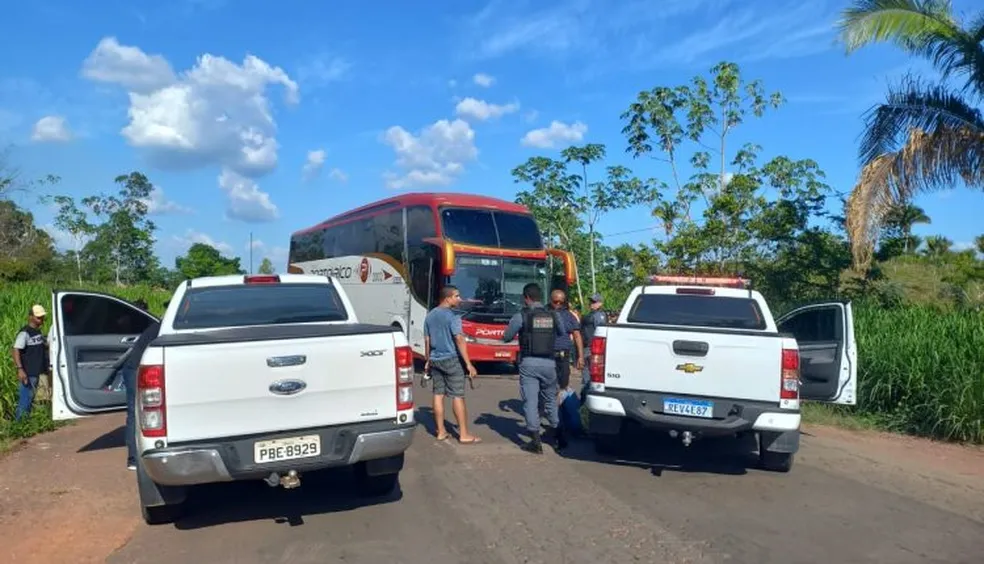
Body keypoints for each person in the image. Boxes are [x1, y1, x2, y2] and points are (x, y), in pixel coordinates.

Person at [502, 283, 567, 454]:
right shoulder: (553, 315)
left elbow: (507, 337)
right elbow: (562, 333)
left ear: (526, 298)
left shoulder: (521, 315)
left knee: (531, 401)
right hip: (550, 363)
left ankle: (535, 442)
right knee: (551, 400)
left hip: (529, 363)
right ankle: (559, 436)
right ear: (541, 297)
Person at [423, 285, 481, 444]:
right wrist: (469, 364)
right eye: (457, 296)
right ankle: (463, 434)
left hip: (435, 360)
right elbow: (459, 339)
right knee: (458, 396)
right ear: (447, 298)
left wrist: (428, 360)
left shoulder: (429, 316)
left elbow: (427, 340)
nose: (460, 299)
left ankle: (440, 431)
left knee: (438, 394)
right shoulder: (453, 316)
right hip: (451, 359)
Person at [113, 299, 161, 470]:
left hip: (136, 368)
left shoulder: (157, 325)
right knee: (136, 411)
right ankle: (133, 458)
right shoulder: (161, 327)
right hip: (134, 369)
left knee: (141, 411)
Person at [11, 305, 49, 422]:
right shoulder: (25, 333)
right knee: (25, 401)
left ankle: (28, 424)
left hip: (38, 371)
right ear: (31, 317)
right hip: (29, 373)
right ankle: (19, 427)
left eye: (42, 317)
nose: (41, 320)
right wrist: (20, 369)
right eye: (38, 317)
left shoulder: (37, 331)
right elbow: (15, 349)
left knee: (34, 399)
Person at [549, 289, 583, 393]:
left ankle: (561, 404)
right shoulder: (544, 313)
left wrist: (580, 356)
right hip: (548, 354)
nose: (558, 304)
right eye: (555, 302)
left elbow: (577, 336)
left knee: (564, 382)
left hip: (564, 354)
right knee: (549, 383)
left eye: (561, 302)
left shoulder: (569, 316)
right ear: (551, 300)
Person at [580, 293, 608, 402]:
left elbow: (600, 333)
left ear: (600, 303)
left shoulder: (599, 316)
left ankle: (586, 400)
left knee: (590, 378)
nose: (591, 304)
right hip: (588, 348)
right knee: (586, 376)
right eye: (591, 301)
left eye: (594, 302)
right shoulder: (592, 315)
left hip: (593, 350)